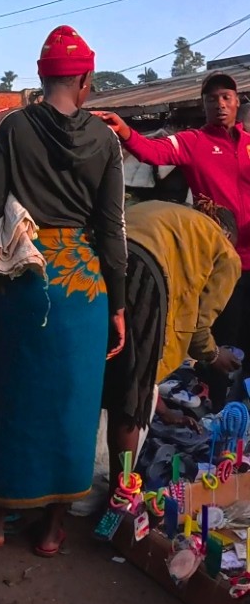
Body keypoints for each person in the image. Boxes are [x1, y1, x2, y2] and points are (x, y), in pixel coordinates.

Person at [0, 25, 127, 557]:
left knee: (14, 397)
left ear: (40, 74)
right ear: (84, 80)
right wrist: (119, 306)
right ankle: (53, 529)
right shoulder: (105, 140)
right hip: (84, 287)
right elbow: (112, 230)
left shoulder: (13, 127)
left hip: (25, 278)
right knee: (73, 404)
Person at [96, 74, 250, 353]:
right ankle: (215, 394)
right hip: (218, 260)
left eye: (226, 97)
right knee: (222, 339)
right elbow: (152, 152)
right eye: (211, 99)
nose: (220, 104)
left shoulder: (249, 144)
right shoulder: (193, 142)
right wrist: (125, 131)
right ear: (203, 105)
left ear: (237, 101)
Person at [104, 200, 240, 484]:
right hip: (142, 277)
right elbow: (199, 327)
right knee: (129, 400)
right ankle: (120, 499)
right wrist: (215, 356)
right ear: (227, 233)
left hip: (99, 261)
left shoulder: (163, 211)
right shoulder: (224, 250)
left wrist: (165, 412)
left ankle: (60, 497)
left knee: (97, 377)